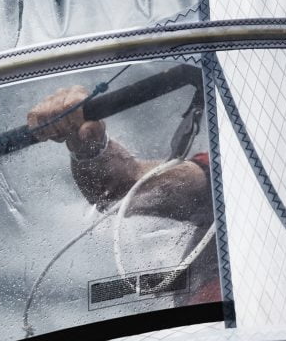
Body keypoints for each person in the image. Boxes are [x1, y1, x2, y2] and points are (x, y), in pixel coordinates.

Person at [27, 85, 221, 304]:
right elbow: (122, 187)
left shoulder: (244, 178)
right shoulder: (229, 175)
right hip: (204, 325)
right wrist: (90, 148)